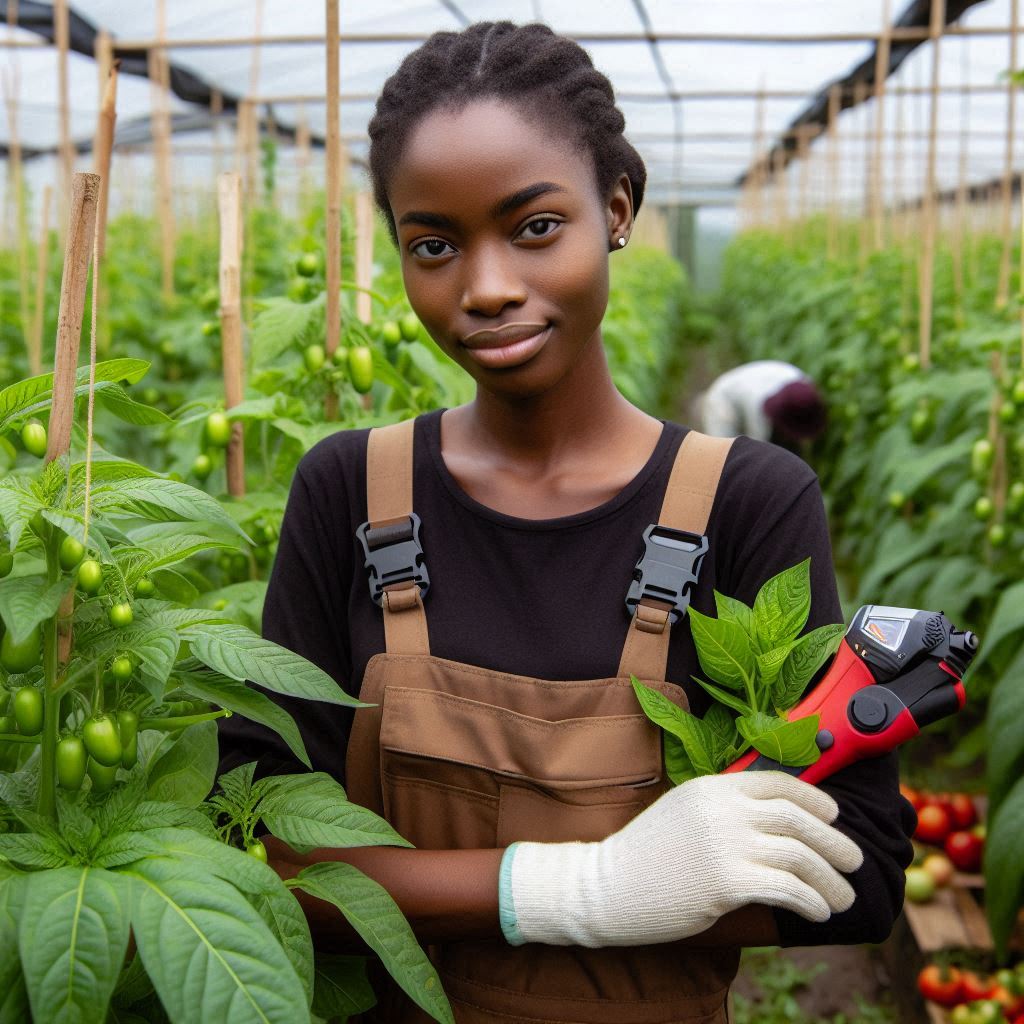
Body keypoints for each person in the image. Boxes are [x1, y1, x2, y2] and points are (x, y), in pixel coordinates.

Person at [218, 21, 914, 1024]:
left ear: (617, 210)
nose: (487, 285)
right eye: (433, 245)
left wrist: (591, 887)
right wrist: (580, 891)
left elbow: (860, 873)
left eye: (534, 226)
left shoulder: (749, 500)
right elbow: (261, 846)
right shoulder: (350, 491)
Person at [699, 360, 828, 452]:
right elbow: (758, 451)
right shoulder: (757, 407)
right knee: (725, 457)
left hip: (748, 382)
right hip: (723, 401)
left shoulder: (803, 387)